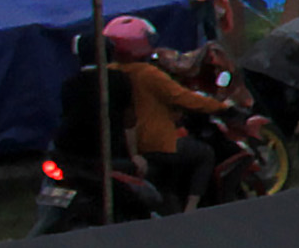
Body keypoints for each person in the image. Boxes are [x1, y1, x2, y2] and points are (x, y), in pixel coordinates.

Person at [61, 15, 232, 212]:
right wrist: (221, 107)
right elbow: (182, 97)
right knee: (205, 154)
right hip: (155, 143)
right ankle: (191, 209)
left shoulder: (107, 73)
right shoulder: (147, 73)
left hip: (114, 149)